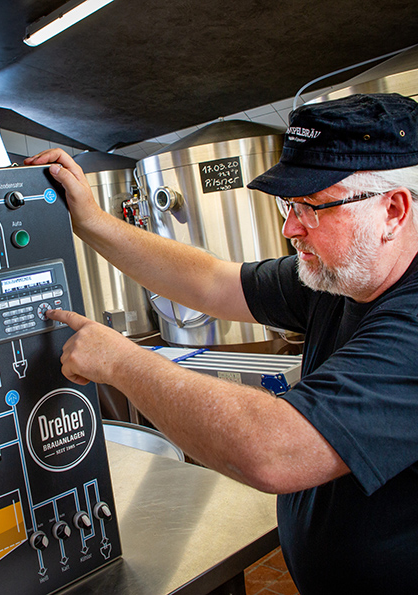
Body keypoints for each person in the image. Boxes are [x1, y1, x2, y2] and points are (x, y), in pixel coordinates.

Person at [25, 93, 418, 594]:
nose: (289, 228)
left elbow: (275, 451)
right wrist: (91, 221)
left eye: (313, 208)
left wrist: (123, 362)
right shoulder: (343, 275)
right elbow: (211, 282)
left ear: (393, 211)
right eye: (288, 204)